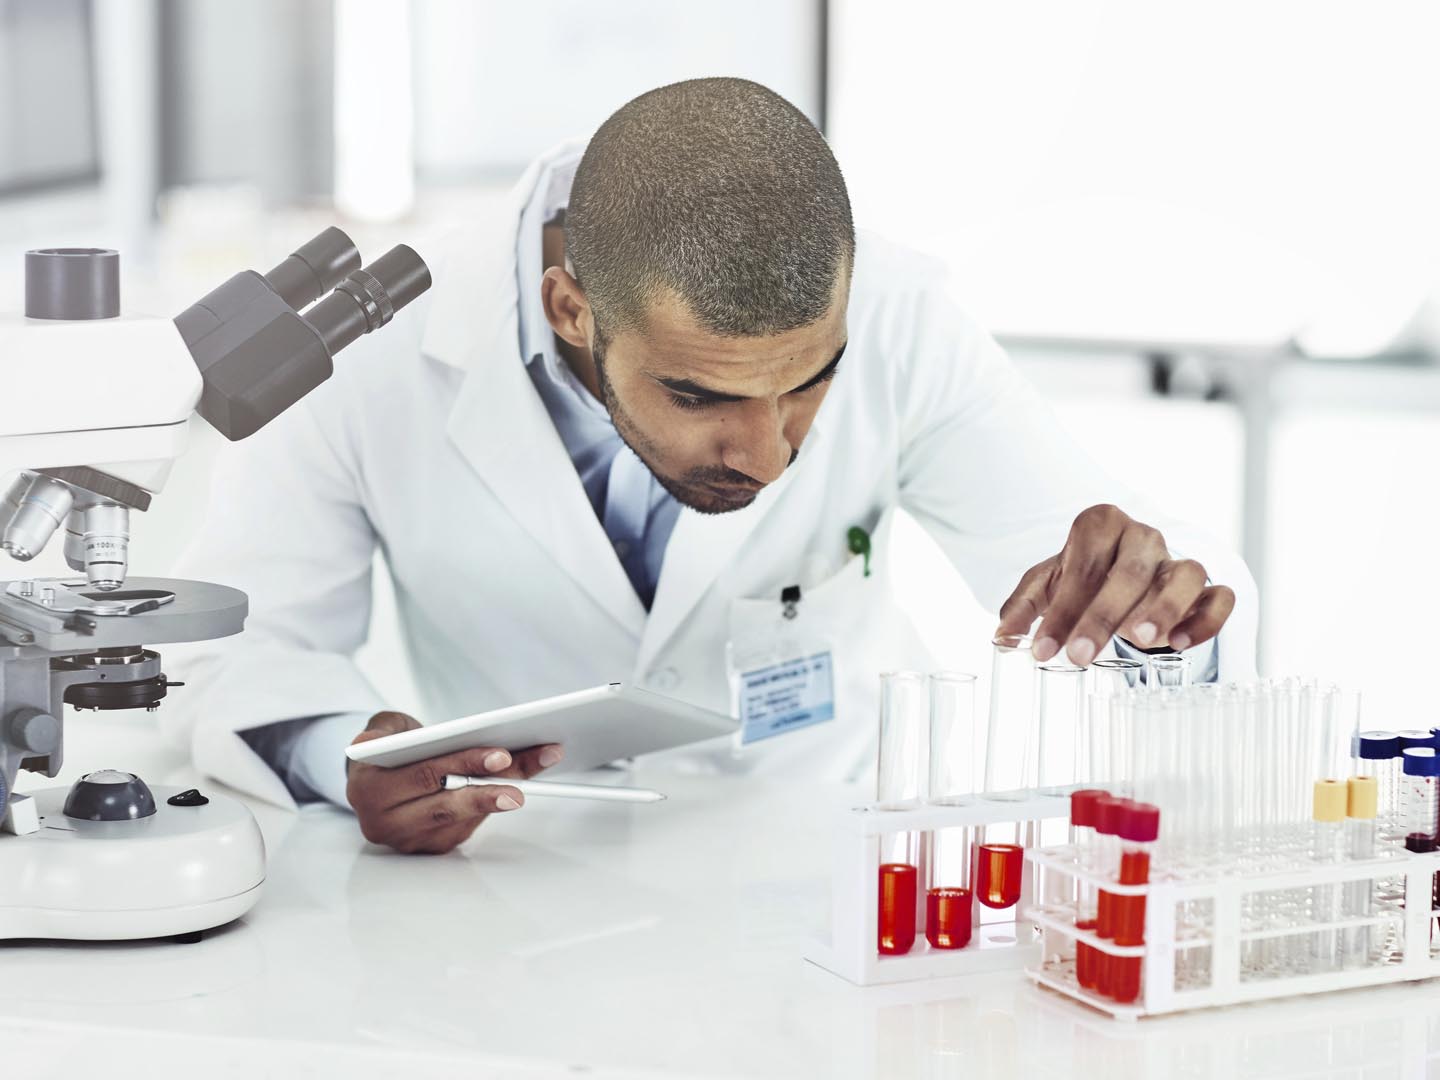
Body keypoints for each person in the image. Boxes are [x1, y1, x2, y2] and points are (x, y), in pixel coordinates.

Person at [166, 77, 1254, 854]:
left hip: (829, 870)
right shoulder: (377, 352)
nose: (768, 454)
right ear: (573, 310)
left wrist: (1159, 611)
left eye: (808, 383)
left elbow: (1096, 565)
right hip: (521, 874)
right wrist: (344, 754)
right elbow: (245, 646)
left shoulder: (903, 318)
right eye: (701, 394)